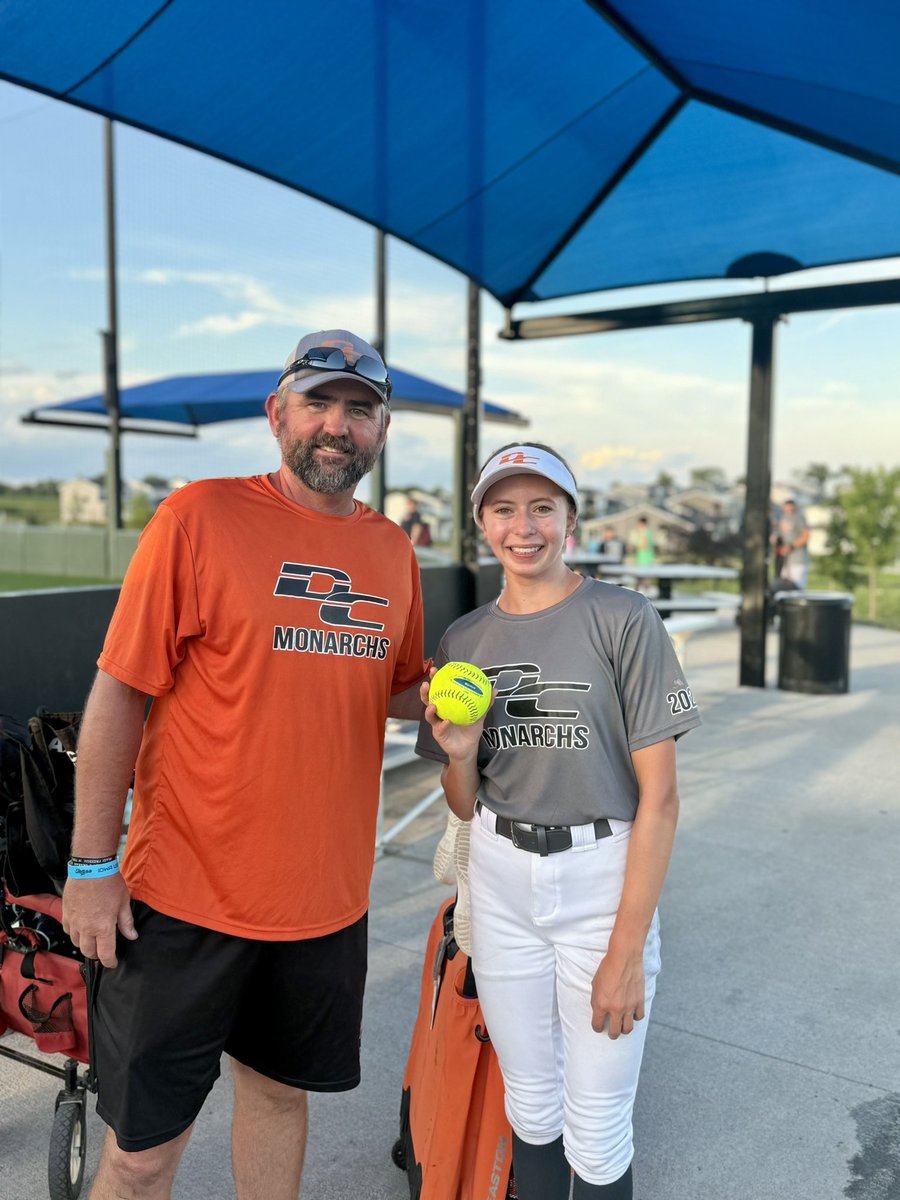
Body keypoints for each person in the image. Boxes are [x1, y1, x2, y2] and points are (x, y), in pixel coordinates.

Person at [62, 330, 428, 1200]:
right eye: (319, 403)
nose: (338, 426)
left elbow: (399, 685)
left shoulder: (391, 551)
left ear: (382, 431)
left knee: (276, 1099)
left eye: (360, 410)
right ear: (278, 415)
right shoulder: (198, 517)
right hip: (184, 900)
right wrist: (90, 866)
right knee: (143, 1154)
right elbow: (119, 694)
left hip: (323, 903)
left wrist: (466, 690)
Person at [416, 442, 700, 1199]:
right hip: (503, 875)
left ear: (570, 519)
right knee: (531, 1108)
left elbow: (661, 800)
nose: (524, 525)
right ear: (482, 522)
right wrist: (461, 751)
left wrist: (627, 948)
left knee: (599, 1127)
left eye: (543, 506)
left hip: (600, 877)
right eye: (504, 508)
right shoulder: (464, 643)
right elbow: (462, 802)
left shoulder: (622, 617)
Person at [772, 497, 810, 588]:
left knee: (797, 587)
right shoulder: (783, 518)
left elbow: (806, 535)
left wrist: (791, 546)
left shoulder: (799, 517)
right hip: (785, 561)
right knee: (783, 587)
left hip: (798, 560)